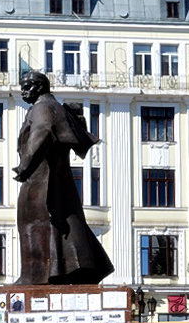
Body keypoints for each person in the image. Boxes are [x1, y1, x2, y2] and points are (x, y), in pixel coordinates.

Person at [13, 71, 114, 285]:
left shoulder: (42, 107)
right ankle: (74, 269)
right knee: (63, 223)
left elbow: (43, 131)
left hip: (42, 179)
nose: (23, 90)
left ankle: (33, 275)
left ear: (40, 86)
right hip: (52, 178)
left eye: (27, 86)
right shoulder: (52, 106)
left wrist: (25, 165)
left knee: (33, 223)